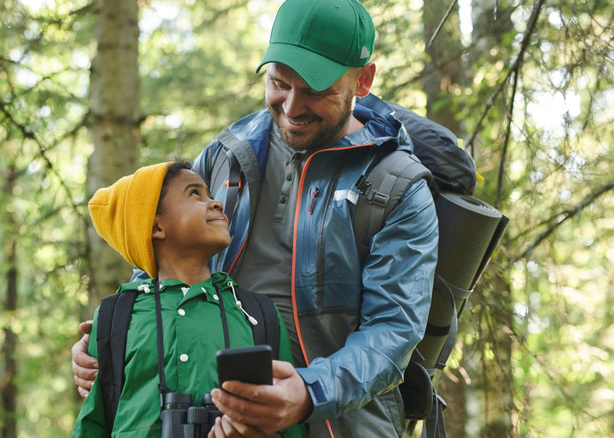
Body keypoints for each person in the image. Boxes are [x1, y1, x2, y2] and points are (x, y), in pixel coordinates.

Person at [74, 0, 440, 436]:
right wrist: (112, 338)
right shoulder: (227, 155)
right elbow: (159, 259)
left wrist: (308, 392)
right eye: (279, 83)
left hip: (342, 426)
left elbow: (393, 330)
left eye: (315, 91)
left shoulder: (396, 187)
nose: (292, 107)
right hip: (215, 421)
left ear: (363, 80)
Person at [72, 159, 305, 437]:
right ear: (155, 226)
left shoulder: (258, 313)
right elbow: (92, 425)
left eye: (210, 194)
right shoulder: (116, 316)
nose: (217, 203)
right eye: (195, 193)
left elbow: (290, 424)